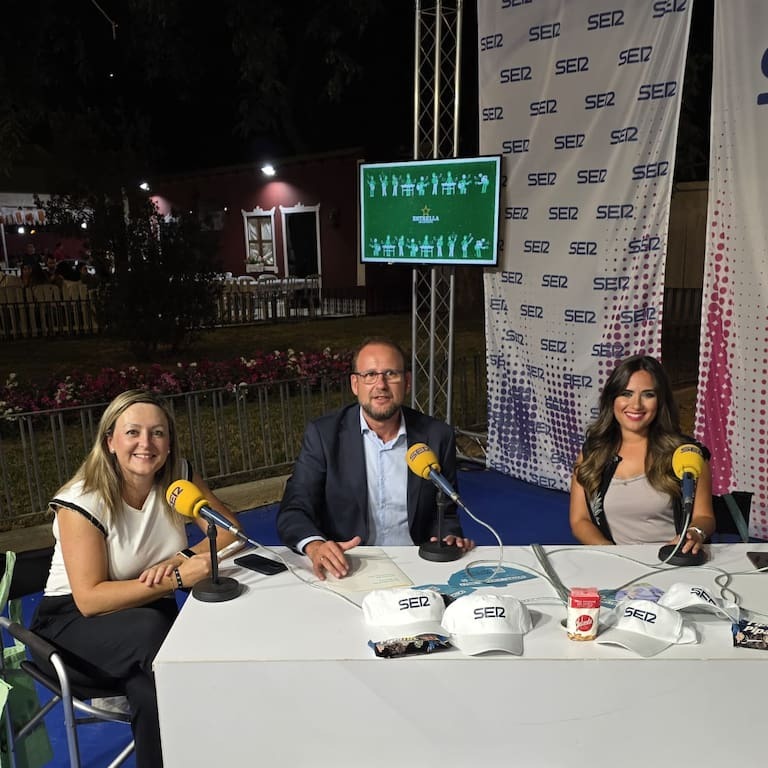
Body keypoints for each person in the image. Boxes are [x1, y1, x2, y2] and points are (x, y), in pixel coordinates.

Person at [30, 389, 244, 767]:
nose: (146, 443)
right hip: (70, 628)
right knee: (160, 634)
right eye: (133, 432)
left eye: (158, 433)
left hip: (146, 619)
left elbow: (228, 531)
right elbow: (90, 599)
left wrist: (183, 557)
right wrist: (177, 580)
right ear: (110, 440)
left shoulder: (178, 476)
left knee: (151, 688)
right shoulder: (83, 500)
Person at [277, 337, 475, 580]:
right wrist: (316, 545)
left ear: (407, 382)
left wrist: (448, 536)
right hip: (347, 566)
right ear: (355, 384)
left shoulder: (436, 435)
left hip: (418, 564)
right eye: (370, 375)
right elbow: (294, 509)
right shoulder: (324, 435)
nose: (380, 385)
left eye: (391, 374)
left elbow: (445, 512)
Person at [569, 354, 715, 552]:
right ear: (612, 399)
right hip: (615, 564)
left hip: (673, 561)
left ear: (660, 401)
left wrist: (695, 532)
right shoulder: (593, 453)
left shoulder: (686, 454)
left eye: (648, 394)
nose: (636, 405)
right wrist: (610, 553)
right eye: (626, 393)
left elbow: (704, 516)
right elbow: (580, 520)